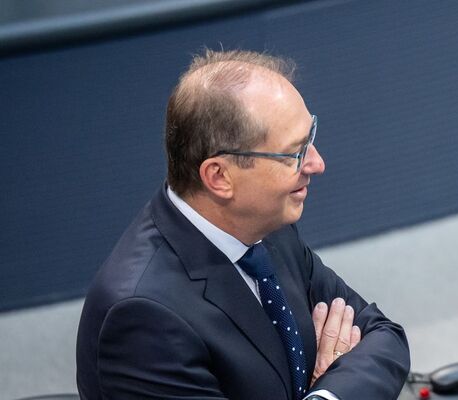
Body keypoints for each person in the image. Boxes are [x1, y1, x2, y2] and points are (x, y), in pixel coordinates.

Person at [75, 49, 410, 399]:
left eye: (310, 138)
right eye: (295, 153)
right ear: (219, 176)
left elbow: (383, 337)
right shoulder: (144, 317)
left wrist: (325, 394)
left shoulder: (269, 228)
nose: (317, 163)